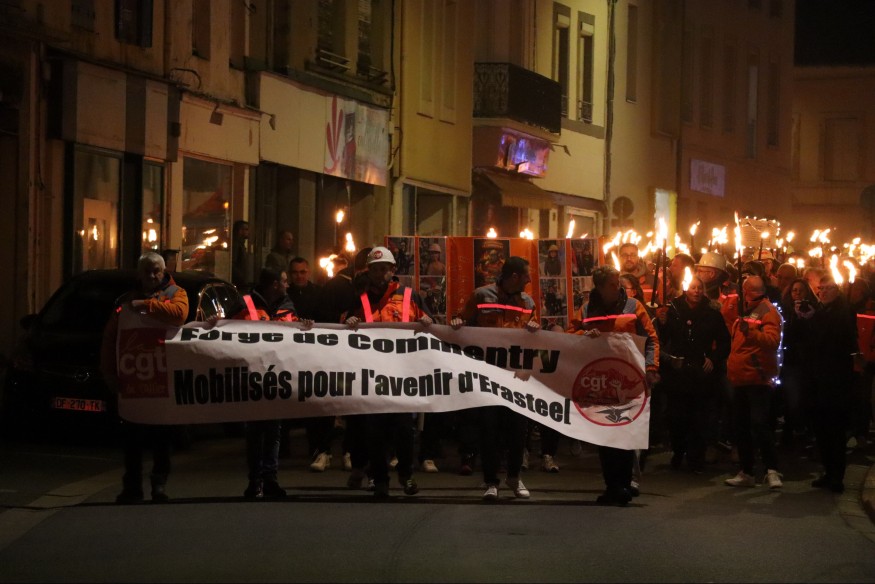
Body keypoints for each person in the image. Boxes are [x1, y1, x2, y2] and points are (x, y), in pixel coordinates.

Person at [345, 246, 433, 498]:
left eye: (383, 268)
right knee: (374, 431)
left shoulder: (408, 296)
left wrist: (427, 322)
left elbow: (429, 323)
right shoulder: (361, 298)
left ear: (392, 270)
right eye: (374, 269)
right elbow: (344, 328)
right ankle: (380, 479)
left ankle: (406, 475)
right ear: (369, 271)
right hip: (373, 375)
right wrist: (349, 322)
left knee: (404, 429)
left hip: (404, 375)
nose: (379, 273)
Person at [101, 252, 189, 504]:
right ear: (139, 274)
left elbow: (180, 315)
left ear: (164, 271)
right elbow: (110, 339)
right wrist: (109, 374)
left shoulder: (176, 294)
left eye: (156, 271)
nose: (152, 276)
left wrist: (147, 306)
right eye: (148, 271)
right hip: (135, 379)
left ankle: (158, 485)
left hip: (162, 378)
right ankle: (132, 487)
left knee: (162, 439)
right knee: (132, 440)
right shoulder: (125, 301)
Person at [568, 266, 659, 506]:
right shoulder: (587, 309)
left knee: (625, 433)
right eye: (611, 283)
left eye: (617, 282)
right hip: (600, 382)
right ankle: (613, 486)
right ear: (599, 287)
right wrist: (583, 335)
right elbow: (570, 334)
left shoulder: (634, 306)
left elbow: (651, 339)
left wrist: (651, 368)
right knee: (605, 435)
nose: (617, 287)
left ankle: (623, 484)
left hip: (628, 380)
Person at [451, 256, 539, 501]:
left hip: (516, 378)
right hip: (487, 376)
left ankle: (513, 477)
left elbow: (534, 338)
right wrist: (457, 322)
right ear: (514, 277)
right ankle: (491, 481)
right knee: (488, 430)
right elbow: (461, 321)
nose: (529, 280)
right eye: (526, 275)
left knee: (518, 431)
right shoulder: (481, 296)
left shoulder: (528, 302)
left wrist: (535, 330)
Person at [656, 276, 730, 473]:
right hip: (678, 372)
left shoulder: (711, 313)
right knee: (677, 416)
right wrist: (662, 323)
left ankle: (696, 457)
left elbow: (724, 342)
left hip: (700, 374)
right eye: (692, 287)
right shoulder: (673, 310)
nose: (696, 291)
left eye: (700, 287)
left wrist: (713, 358)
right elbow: (662, 338)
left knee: (699, 418)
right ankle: (679, 451)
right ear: (685, 289)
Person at [242, 267, 301, 499]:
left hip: (277, 377)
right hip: (252, 377)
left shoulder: (288, 306)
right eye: (284, 280)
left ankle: (270, 479)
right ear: (275, 284)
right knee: (255, 432)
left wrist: (303, 326)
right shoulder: (245, 305)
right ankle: (255, 481)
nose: (288, 285)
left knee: (273, 431)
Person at [725, 276, 784, 489]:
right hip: (740, 376)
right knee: (740, 426)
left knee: (759, 425)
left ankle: (772, 470)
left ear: (747, 290)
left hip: (757, 377)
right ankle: (747, 471)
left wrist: (750, 332)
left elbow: (772, 341)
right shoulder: (746, 309)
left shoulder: (767, 311)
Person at [805, 276, 858, 493]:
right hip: (818, 380)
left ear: (838, 290)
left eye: (828, 289)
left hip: (836, 381)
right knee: (822, 430)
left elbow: (835, 338)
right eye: (820, 289)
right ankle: (828, 471)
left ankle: (837, 475)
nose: (823, 292)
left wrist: (814, 318)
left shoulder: (842, 312)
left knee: (835, 430)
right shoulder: (820, 311)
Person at [777, 278, 819, 449]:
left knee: (802, 398)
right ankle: (790, 431)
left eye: (801, 290)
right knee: (790, 399)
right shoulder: (785, 310)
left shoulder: (814, 310)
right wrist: (794, 316)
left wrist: (807, 318)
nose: (797, 294)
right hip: (790, 360)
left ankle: (801, 430)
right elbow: (785, 334)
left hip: (806, 361)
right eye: (794, 290)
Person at [231, 220, 253, 289]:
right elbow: (232, 264)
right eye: (246, 229)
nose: (248, 232)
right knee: (247, 299)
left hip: (243, 284)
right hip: (239, 285)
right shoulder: (236, 245)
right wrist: (242, 280)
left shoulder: (241, 245)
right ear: (240, 231)